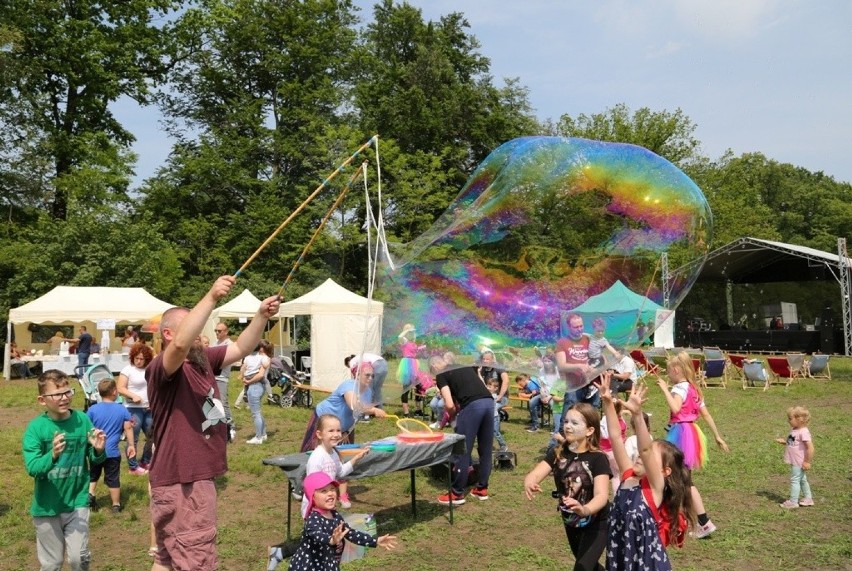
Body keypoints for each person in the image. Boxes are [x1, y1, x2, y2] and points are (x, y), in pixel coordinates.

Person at [146, 275, 280, 571]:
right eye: (191, 323)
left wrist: (260, 316)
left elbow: (241, 349)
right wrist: (210, 297)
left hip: (178, 479)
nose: (199, 331)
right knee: (196, 561)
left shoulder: (202, 358)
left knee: (166, 559)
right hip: (185, 482)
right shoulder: (163, 367)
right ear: (168, 334)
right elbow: (180, 346)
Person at [600, 374, 695, 569]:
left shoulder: (654, 488)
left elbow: (644, 449)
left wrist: (637, 415)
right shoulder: (627, 476)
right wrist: (607, 402)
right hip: (620, 556)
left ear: (665, 471)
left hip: (646, 563)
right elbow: (615, 437)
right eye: (646, 455)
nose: (642, 457)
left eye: (651, 457)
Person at [22, 369, 107, 571]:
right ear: (42, 400)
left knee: (79, 559)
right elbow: (33, 468)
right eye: (57, 394)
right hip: (47, 506)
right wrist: (52, 456)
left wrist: (98, 450)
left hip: (77, 501)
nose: (64, 398)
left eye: (68, 392)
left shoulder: (82, 420)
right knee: (52, 564)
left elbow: (94, 459)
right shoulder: (36, 429)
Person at [523, 402, 611, 571]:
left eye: (575, 423)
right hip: (571, 520)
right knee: (587, 565)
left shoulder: (598, 458)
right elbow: (535, 474)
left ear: (590, 431)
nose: (568, 427)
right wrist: (530, 481)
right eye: (566, 422)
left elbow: (601, 495)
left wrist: (584, 509)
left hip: (597, 521)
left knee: (582, 567)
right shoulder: (558, 452)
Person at [656, 351, 729, 540]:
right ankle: (702, 521)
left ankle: (688, 520)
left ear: (676, 370)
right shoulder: (694, 389)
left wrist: (665, 388)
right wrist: (717, 436)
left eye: (668, 372)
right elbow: (706, 415)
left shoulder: (679, 388)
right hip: (692, 433)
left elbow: (675, 408)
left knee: (675, 478)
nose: (667, 375)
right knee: (684, 480)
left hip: (681, 433)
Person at [287, 472, 397, 571]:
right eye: (323, 491)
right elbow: (318, 534)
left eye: (332, 489)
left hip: (328, 564)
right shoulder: (313, 519)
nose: (330, 493)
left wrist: (374, 541)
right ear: (313, 498)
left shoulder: (335, 515)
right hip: (309, 566)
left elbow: (350, 533)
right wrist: (331, 540)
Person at [432, 354, 495, 506]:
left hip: (473, 406)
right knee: (485, 450)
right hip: (488, 402)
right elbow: (479, 383)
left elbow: (449, 404)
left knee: (462, 449)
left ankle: (457, 493)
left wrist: (453, 417)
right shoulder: (462, 366)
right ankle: (482, 489)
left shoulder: (441, 375)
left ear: (434, 367)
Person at [300, 362, 388, 454]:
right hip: (324, 420)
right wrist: (373, 410)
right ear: (357, 375)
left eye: (372, 376)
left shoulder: (368, 392)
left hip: (342, 428)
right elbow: (354, 406)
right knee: (317, 452)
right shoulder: (349, 385)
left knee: (342, 454)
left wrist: (346, 431)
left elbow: (357, 414)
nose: (370, 378)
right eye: (367, 375)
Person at [301, 414, 369, 516]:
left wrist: (357, 458)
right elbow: (312, 487)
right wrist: (319, 508)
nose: (336, 434)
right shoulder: (317, 457)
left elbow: (341, 472)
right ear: (319, 434)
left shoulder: (333, 454)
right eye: (331, 431)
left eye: (338, 430)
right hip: (315, 509)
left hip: (327, 503)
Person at [86, 378, 135, 513]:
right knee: (113, 478)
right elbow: (128, 428)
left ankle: (90, 495)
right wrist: (131, 445)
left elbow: (87, 429)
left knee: (93, 474)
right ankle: (116, 505)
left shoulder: (92, 409)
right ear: (114, 392)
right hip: (112, 452)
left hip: (96, 451)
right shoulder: (121, 409)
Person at [116, 343, 155, 474]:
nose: (138, 361)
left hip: (149, 408)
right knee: (133, 437)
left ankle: (146, 460)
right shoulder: (128, 369)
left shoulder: (150, 369)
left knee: (152, 436)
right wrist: (133, 396)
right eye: (136, 358)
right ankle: (133, 467)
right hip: (133, 408)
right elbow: (120, 388)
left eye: (141, 358)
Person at [775, 405, 815, 508]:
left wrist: (807, 462)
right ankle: (808, 498)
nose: (788, 421)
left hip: (799, 461)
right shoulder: (795, 430)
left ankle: (793, 501)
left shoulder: (803, 432)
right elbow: (794, 442)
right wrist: (785, 442)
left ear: (799, 419)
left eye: (790, 418)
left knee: (795, 480)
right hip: (795, 461)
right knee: (802, 479)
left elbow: (810, 448)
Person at [241, 339, 273, 445]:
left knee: (255, 414)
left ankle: (258, 437)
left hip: (254, 386)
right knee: (258, 412)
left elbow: (258, 375)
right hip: (260, 386)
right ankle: (263, 434)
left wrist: (247, 380)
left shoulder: (258, 357)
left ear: (261, 348)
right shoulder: (263, 358)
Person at [211, 323, 236, 437]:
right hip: (212, 377)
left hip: (222, 378)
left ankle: (230, 426)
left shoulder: (229, 345)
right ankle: (218, 425)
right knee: (213, 403)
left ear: (226, 332)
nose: (216, 333)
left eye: (219, 331)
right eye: (216, 330)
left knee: (223, 403)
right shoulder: (215, 344)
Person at [397, 324, 423, 417]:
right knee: (406, 389)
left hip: (414, 364)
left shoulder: (412, 342)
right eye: (411, 331)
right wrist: (407, 331)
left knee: (419, 387)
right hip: (407, 365)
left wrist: (421, 347)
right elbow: (400, 336)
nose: (413, 333)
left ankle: (418, 410)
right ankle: (406, 412)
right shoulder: (404, 340)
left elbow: (414, 351)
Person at [487, 377, 509, 452]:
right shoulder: (488, 394)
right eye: (487, 386)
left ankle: (503, 445)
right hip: (488, 417)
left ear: (496, 388)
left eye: (490, 387)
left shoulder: (494, 396)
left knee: (496, 432)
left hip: (494, 418)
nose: (488, 388)